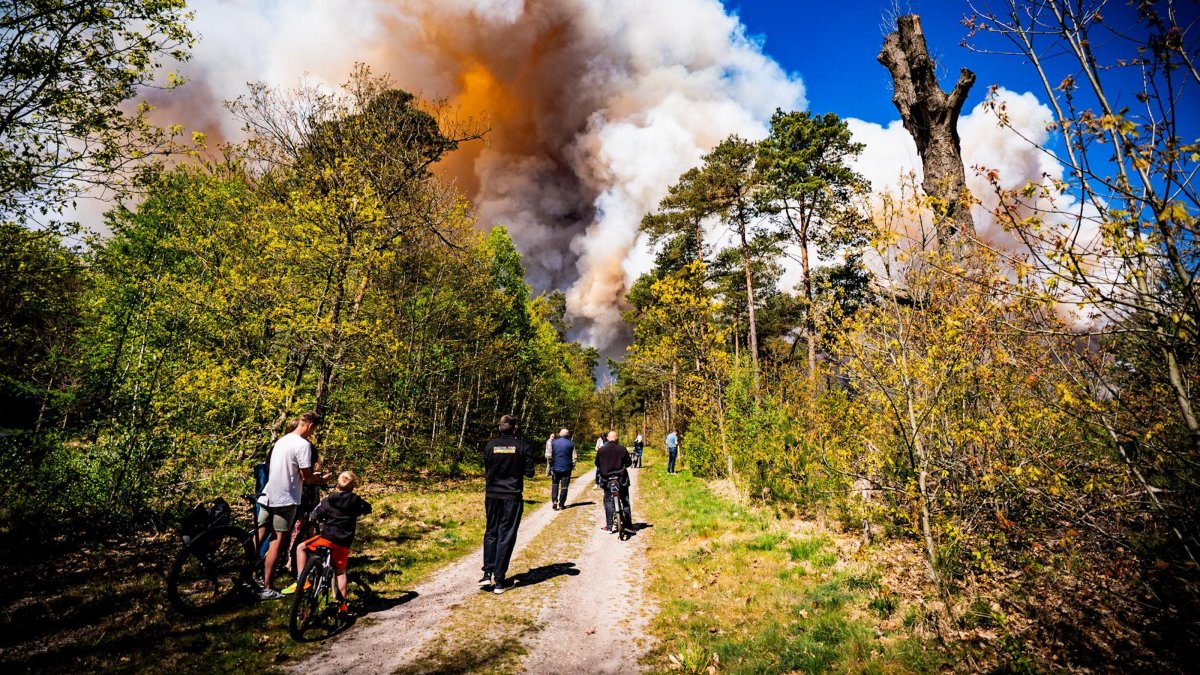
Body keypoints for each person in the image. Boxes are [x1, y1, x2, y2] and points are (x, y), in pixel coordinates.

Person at [257, 411, 330, 599]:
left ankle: (247, 574)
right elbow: (306, 477)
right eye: (314, 430)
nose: (313, 433)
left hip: (267, 494)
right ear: (311, 426)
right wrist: (320, 480)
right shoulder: (303, 445)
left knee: (259, 536)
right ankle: (267, 588)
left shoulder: (282, 441)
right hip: (285, 498)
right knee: (277, 541)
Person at [283, 471, 372, 612]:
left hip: (327, 538)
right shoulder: (356, 501)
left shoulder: (329, 499)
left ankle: (302, 580)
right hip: (344, 542)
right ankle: (343, 605)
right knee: (341, 572)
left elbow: (315, 513)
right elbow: (368, 508)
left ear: (337, 484)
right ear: (353, 486)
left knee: (301, 547)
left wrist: (314, 518)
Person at [480, 414, 535, 594]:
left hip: (492, 495)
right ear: (515, 428)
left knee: (491, 532)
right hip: (511, 496)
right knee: (506, 536)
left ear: (499, 428)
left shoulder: (490, 446)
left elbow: (487, 469)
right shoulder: (522, 446)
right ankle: (499, 581)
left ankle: (487, 573)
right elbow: (530, 472)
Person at [594, 430, 632, 533]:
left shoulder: (601, 450)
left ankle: (609, 526)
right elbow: (629, 463)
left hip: (607, 479)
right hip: (621, 479)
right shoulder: (622, 449)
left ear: (607, 438)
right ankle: (628, 526)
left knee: (607, 501)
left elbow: (597, 463)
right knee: (625, 501)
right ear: (616, 438)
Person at [549, 428, 577, 510]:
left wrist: (551, 464)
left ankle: (554, 500)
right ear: (568, 435)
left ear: (560, 434)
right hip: (566, 468)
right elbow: (574, 457)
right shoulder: (571, 444)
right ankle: (561, 504)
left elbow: (548, 455)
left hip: (555, 468)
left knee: (555, 484)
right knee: (564, 487)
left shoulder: (553, 442)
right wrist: (572, 465)